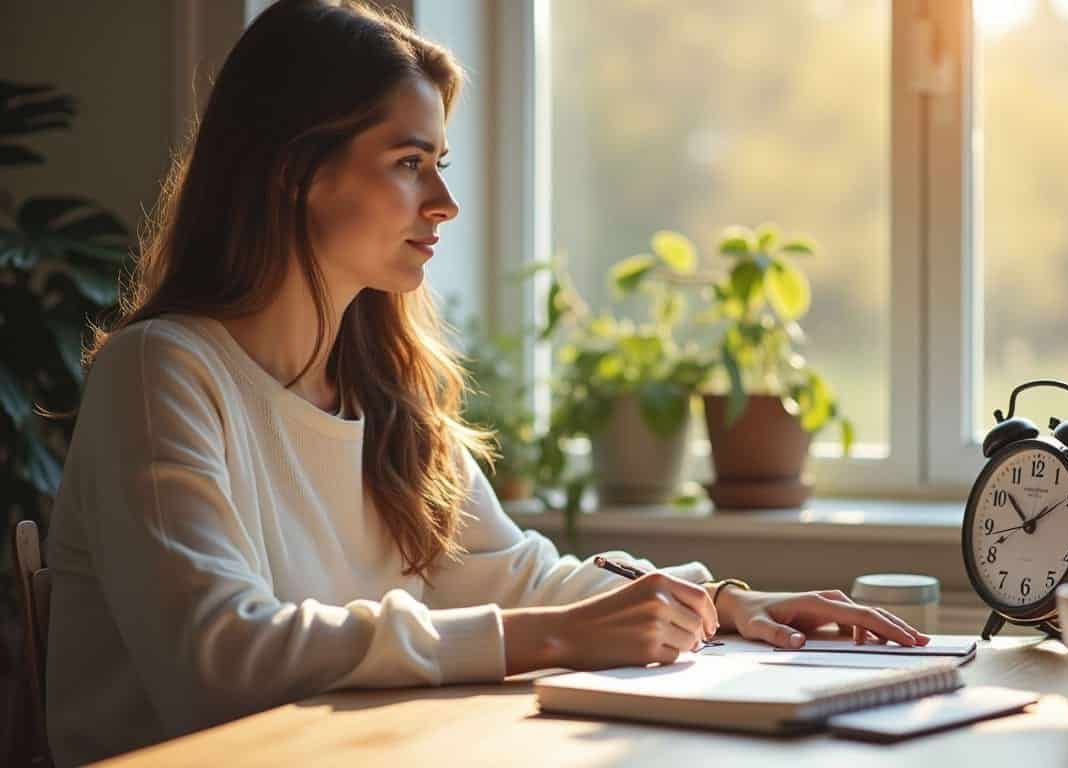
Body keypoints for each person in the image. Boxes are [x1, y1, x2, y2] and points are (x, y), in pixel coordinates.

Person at [43, 1, 929, 764]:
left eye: (441, 165)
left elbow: (515, 575)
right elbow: (217, 659)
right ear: (296, 172)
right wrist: (544, 639)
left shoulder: (381, 389)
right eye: (407, 163)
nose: (444, 204)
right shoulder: (161, 375)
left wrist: (725, 606)